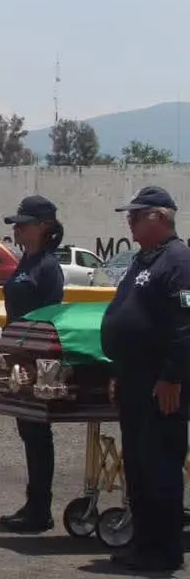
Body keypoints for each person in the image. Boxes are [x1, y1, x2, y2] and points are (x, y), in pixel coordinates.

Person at [99, 186, 190, 572]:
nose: (130, 222)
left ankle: (164, 551)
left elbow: (185, 324)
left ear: (160, 217)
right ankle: (143, 543)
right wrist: (119, 372)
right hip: (134, 378)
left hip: (160, 382)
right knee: (137, 466)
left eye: (136, 215)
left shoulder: (179, 260)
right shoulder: (143, 260)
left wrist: (172, 377)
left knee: (161, 466)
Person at [0, 195, 65, 533]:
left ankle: (40, 508)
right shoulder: (27, 261)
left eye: (24, 224)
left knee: (38, 432)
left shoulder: (48, 266)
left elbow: (51, 316)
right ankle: (33, 504)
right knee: (28, 430)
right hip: (18, 354)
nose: (17, 229)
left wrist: (39, 362)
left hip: (37, 356)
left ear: (43, 226)